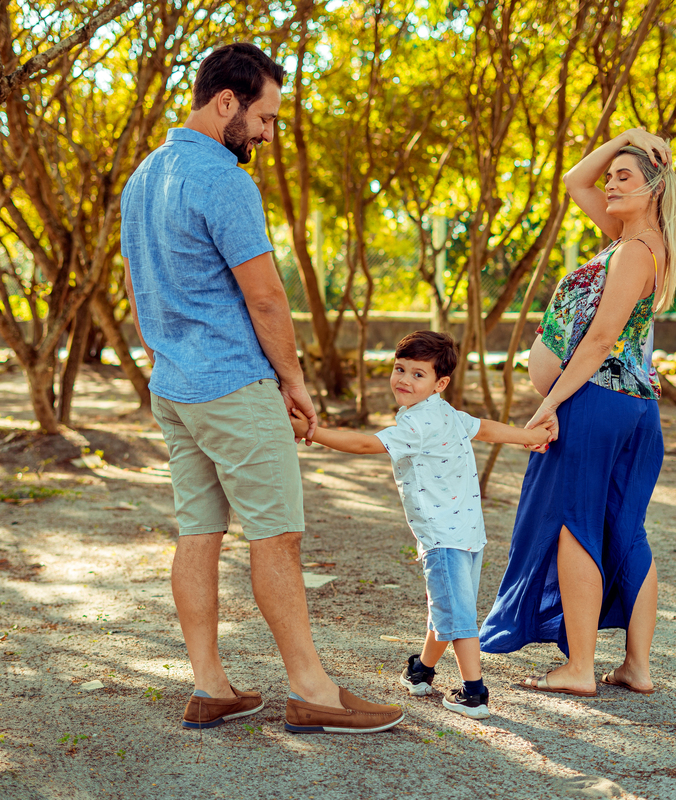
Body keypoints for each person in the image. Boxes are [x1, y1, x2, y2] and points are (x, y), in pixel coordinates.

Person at [120, 42, 403, 735]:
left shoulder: (144, 177)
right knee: (276, 537)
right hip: (234, 388)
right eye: (266, 118)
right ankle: (313, 692)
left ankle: (210, 685)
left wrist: (168, 352)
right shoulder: (222, 179)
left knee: (198, 532)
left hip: (176, 385)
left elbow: (135, 288)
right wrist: (294, 380)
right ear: (227, 104)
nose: (270, 134)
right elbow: (267, 297)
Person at [478, 128, 676, 697]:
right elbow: (575, 180)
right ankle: (637, 667)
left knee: (574, 525)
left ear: (654, 189)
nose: (608, 182)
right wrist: (626, 138)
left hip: (596, 402)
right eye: (613, 176)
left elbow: (600, 340)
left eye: (624, 177)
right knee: (625, 529)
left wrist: (548, 402)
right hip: (632, 407)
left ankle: (579, 669)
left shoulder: (632, 251)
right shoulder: (640, 242)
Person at [289, 331, 551, 719]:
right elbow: (488, 428)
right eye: (399, 369)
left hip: (443, 536)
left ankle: (474, 693)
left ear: (439, 383)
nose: (404, 380)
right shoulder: (444, 413)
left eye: (418, 374)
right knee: (446, 606)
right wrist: (529, 436)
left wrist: (311, 432)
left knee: (458, 616)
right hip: (467, 534)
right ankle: (422, 672)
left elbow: (365, 445)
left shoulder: (419, 424)